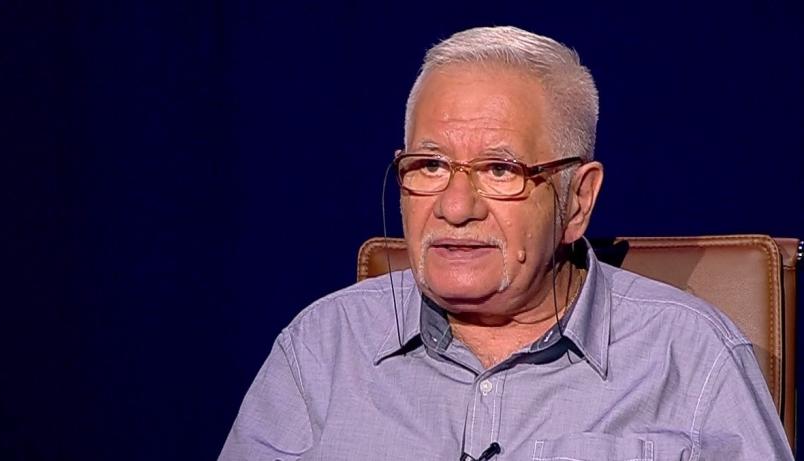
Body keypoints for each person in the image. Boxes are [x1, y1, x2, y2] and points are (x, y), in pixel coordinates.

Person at [219, 26, 793, 460]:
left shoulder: (690, 358)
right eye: (430, 165)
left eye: (500, 170)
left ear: (577, 201)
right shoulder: (321, 349)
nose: (454, 207)